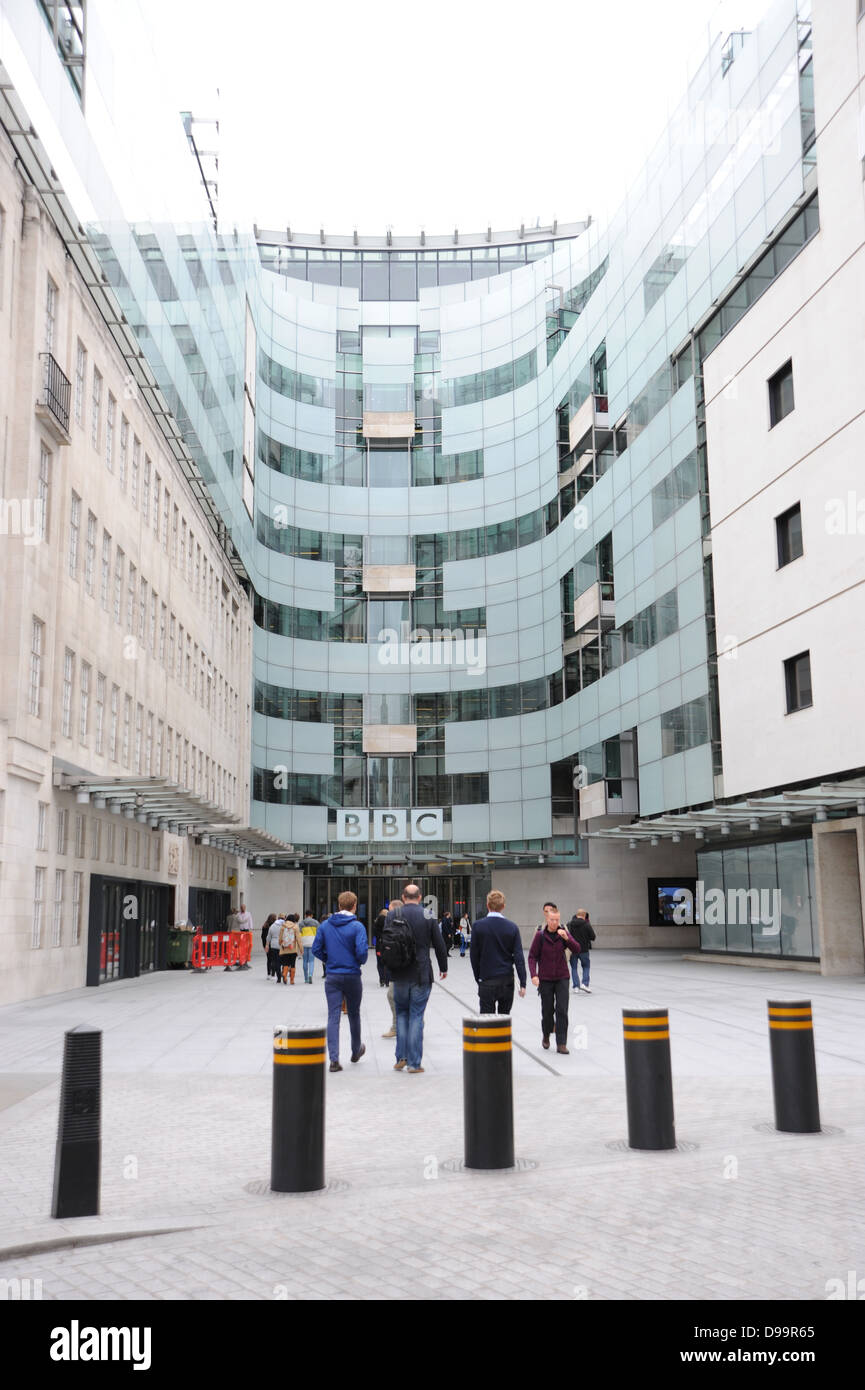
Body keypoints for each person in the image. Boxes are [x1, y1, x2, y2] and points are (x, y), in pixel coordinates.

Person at [383, 884, 447, 1074]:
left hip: (399, 972)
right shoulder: (427, 914)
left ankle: (400, 1058)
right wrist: (443, 967)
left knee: (402, 1014)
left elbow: (386, 942)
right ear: (419, 897)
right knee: (416, 1016)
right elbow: (439, 943)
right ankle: (414, 1063)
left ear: (403, 897)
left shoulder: (392, 914)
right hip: (421, 972)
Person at [312, 891, 368, 1072]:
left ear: (338, 905)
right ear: (354, 906)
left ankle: (334, 1059)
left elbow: (316, 949)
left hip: (333, 976)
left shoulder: (325, 926)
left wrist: (329, 960)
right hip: (352, 974)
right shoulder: (357, 926)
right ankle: (355, 1050)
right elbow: (362, 953)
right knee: (354, 1013)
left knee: (333, 1015)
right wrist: (357, 961)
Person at [527, 903, 582, 1054]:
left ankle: (561, 1043)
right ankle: (546, 1034)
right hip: (545, 978)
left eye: (557, 920)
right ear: (547, 918)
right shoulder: (540, 935)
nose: (554, 923)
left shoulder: (563, 933)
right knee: (547, 1010)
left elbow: (577, 949)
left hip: (562, 977)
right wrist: (534, 975)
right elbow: (532, 956)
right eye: (552, 920)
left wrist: (567, 939)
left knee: (562, 1010)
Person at [469, 890, 526, 1015]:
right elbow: (519, 957)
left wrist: (478, 977)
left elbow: (474, 956)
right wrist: (523, 982)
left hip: (487, 979)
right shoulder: (512, 927)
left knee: (486, 1019)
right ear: (503, 906)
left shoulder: (478, 926)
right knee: (504, 1019)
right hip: (506, 980)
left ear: (487, 905)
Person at [566, 909, 596, 992]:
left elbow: (566, 936)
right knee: (586, 967)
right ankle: (584, 984)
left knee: (574, 968)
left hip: (573, 950)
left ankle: (576, 986)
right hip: (584, 950)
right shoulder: (586, 924)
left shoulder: (570, 924)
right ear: (584, 915)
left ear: (577, 914)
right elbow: (593, 937)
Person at [279, 913, 301, 984]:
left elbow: (280, 938)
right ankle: (292, 980)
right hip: (293, 949)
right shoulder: (295, 927)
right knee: (293, 964)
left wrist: (280, 943)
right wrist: (301, 949)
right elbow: (298, 939)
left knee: (285, 963)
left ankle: (284, 974)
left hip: (285, 948)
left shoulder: (283, 926)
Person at [298, 911, 319, 983]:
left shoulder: (301, 923)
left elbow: (299, 934)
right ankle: (310, 974)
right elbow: (319, 934)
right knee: (311, 961)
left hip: (304, 943)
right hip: (312, 943)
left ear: (305, 915)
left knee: (304, 961)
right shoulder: (316, 923)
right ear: (312, 915)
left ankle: (306, 978)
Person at [235, 900, 254, 969]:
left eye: (243, 907)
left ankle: (245, 960)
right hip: (240, 930)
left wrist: (251, 927)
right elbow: (237, 920)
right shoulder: (238, 914)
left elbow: (250, 920)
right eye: (241, 908)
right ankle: (240, 959)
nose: (242, 909)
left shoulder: (248, 914)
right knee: (240, 945)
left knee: (246, 945)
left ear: (245, 908)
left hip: (246, 930)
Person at [266, 913, 284, 982]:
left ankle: (278, 977)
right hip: (281, 945)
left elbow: (268, 937)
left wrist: (267, 945)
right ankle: (281, 974)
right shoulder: (284, 926)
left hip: (273, 945)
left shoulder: (272, 926)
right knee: (281, 961)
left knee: (276, 961)